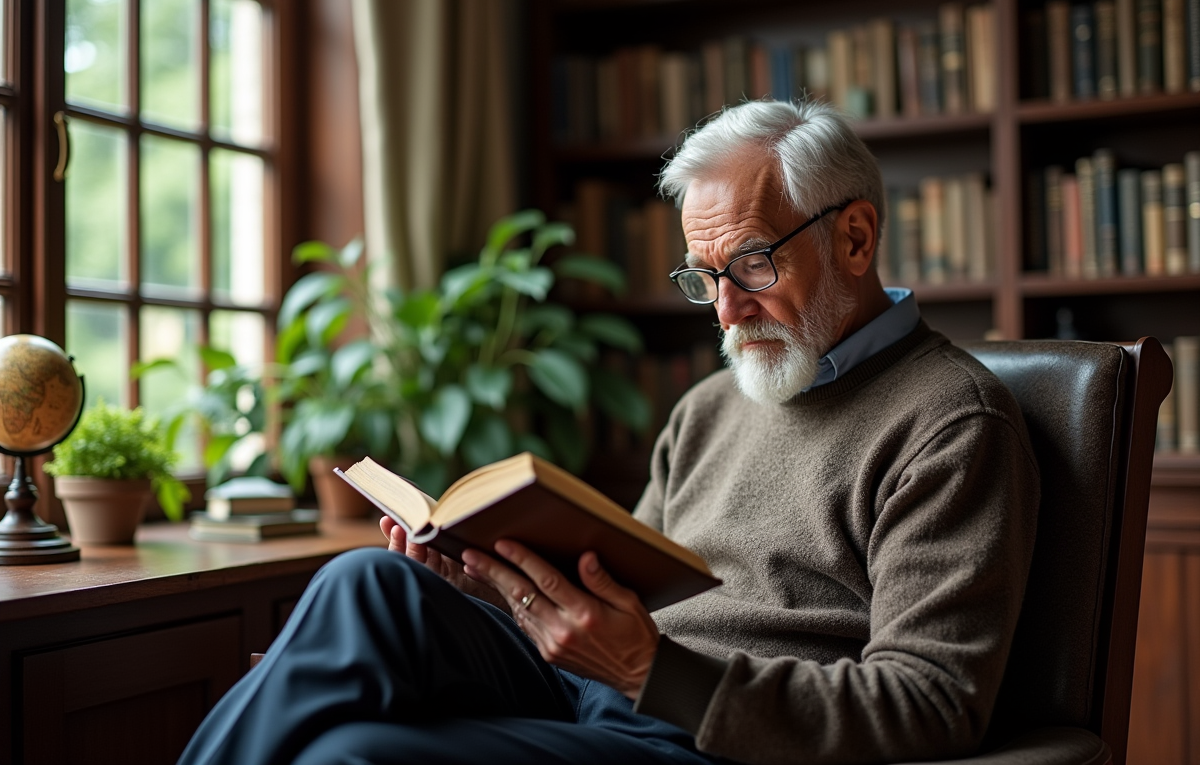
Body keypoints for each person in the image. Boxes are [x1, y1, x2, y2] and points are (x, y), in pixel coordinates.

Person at [178, 100, 1040, 765]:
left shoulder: (952, 421)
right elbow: (626, 595)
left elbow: (933, 701)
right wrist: (491, 586)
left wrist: (648, 672)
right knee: (369, 583)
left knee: (346, 754)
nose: (727, 310)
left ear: (854, 237)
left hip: (716, 742)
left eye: (751, 263)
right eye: (704, 277)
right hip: (602, 688)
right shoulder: (709, 407)